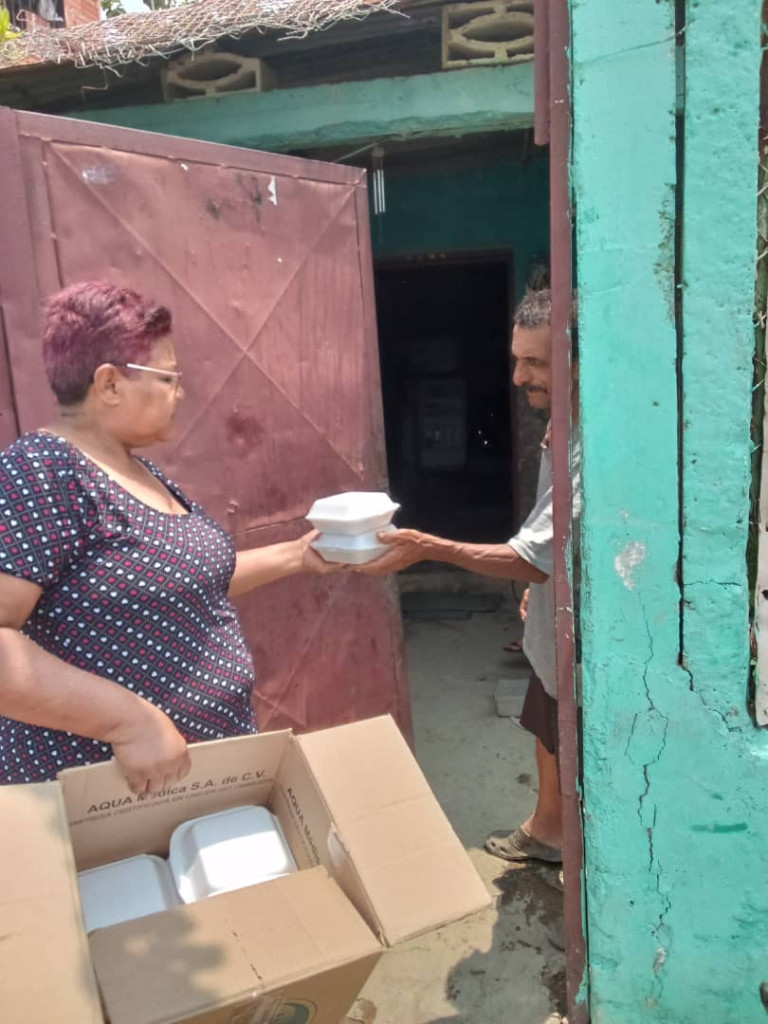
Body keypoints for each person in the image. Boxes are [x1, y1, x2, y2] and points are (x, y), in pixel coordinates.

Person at [0, 282, 342, 795]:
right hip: (111, 796)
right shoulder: (43, 470)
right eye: (168, 378)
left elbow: (185, 588)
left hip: (199, 771)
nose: (180, 393)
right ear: (110, 384)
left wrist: (298, 555)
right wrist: (128, 722)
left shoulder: (138, 470)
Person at [358, 286, 579, 864]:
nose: (516, 376)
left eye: (534, 362)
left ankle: (569, 847)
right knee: (545, 724)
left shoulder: (594, 445)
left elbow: (532, 557)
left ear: (577, 361)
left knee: (570, 736)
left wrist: (426, 547)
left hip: (583, 639)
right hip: (552, 624)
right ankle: (548, 829)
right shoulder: (565, 422)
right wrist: (541, 590)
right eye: (516, 359)